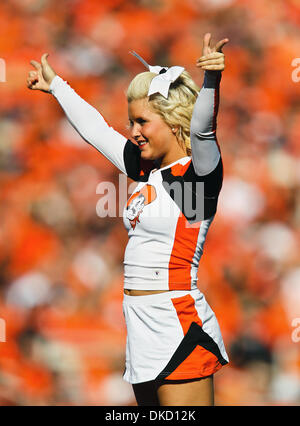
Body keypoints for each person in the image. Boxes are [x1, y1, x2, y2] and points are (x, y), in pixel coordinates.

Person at [27, 33, 229, 406]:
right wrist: (57, 86)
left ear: (172, 121)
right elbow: (98, 131)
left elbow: (203, 128)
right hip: (138, 323)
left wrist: (211, 80)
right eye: (131, 121)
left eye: (142, 121)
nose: (133, 132)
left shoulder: (198, 176)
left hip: (177, 320)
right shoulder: (144, 169)